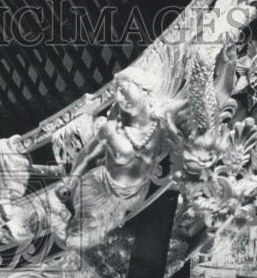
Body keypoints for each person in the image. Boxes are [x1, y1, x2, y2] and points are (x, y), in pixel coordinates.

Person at [55, 64, 177, 251]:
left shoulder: (159, 124)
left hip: (129, 186)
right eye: (117, 92)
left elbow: (87, 155)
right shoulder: (111, 130)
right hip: (108, 185)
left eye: (124, 90)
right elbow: (87, 154)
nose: (119, 97)